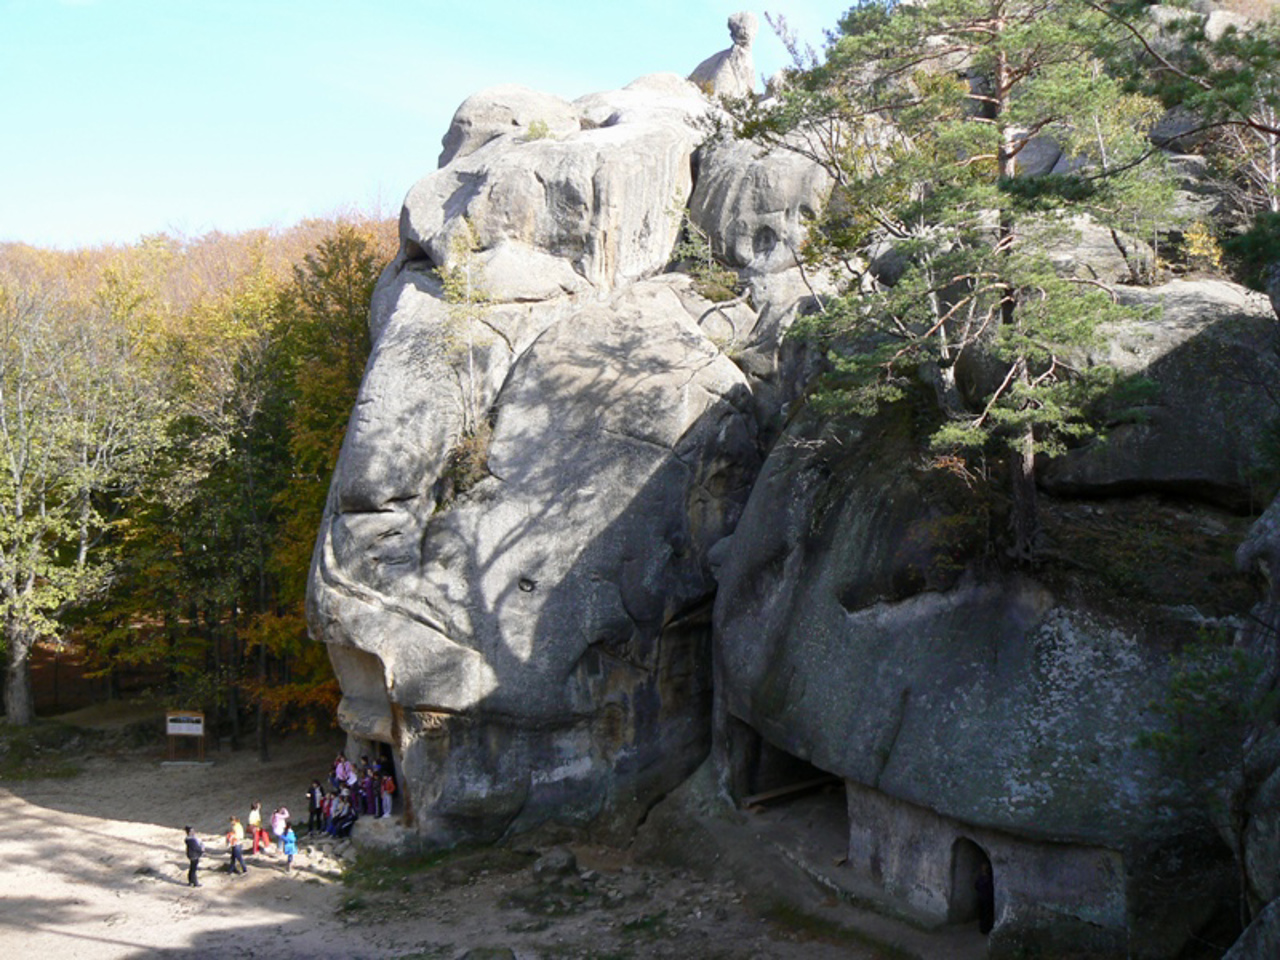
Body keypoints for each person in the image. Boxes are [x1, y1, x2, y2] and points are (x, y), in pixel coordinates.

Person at [975, 861, 995, 935]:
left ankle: (984, 928)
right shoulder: (987, 878)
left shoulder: (982, 878)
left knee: (984, 914)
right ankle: (985, 928)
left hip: (983, 898)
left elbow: (976, 886)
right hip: (985, 898)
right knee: (985, 914)